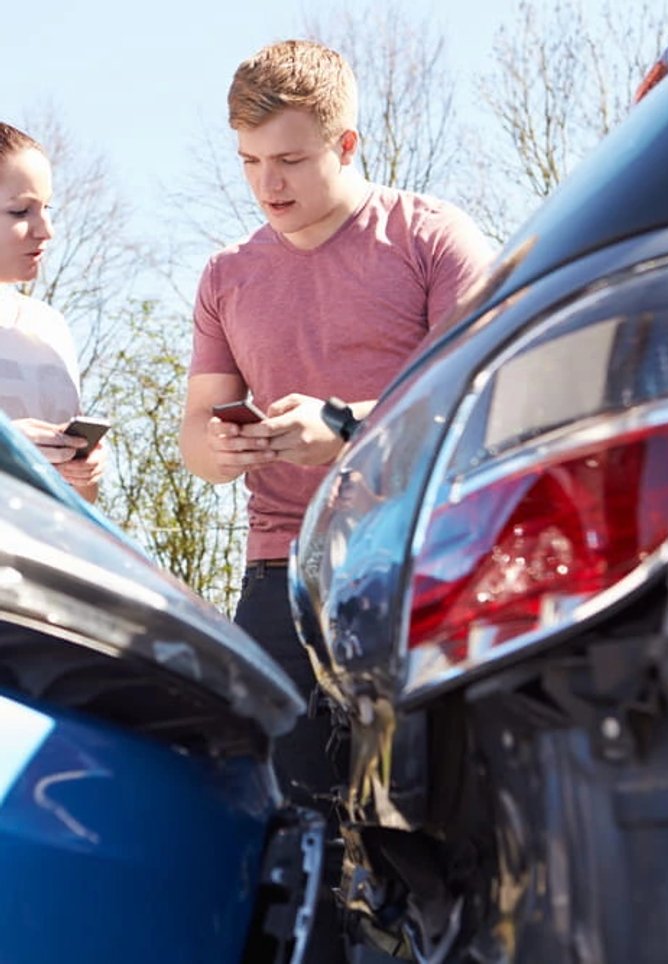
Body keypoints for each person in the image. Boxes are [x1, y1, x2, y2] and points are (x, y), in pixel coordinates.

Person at [179, 40, 494, 804]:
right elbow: (195, 438)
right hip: (278, 575)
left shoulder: (431, 238)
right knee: (284, 835)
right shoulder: (227, 275)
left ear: (346, 144)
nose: (266, 184)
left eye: (288, 159)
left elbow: (483, 401)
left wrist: (351, 429)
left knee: (437, 825)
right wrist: (223, 447)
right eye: (250, 161)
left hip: (420, 562)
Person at [0, 123, 105, 503]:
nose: (47, 230)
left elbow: (82, 501)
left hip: (43, 556)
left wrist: (83, 470)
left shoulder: (50, 328)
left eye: (47, 208)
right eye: (20, 211)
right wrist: (9, 449)